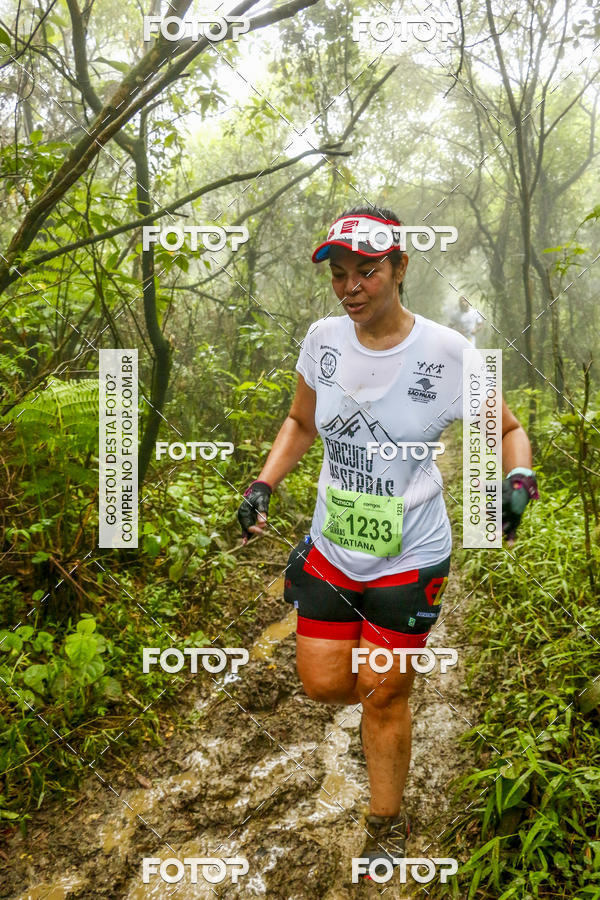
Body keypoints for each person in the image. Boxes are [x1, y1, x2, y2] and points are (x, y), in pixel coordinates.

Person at [237, 206, 538, 878]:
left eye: (367, 270)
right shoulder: (322, 339)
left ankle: (385, 821)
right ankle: (386, 701)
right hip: (331, 547)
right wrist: (263, 484)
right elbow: (299, 420)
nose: (351, 287)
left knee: (382, 690)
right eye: (340, 274)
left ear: (401, 268)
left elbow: (510, 429)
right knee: (323, 684)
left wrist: (519, 475)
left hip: (410, 553)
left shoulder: (448, 353)